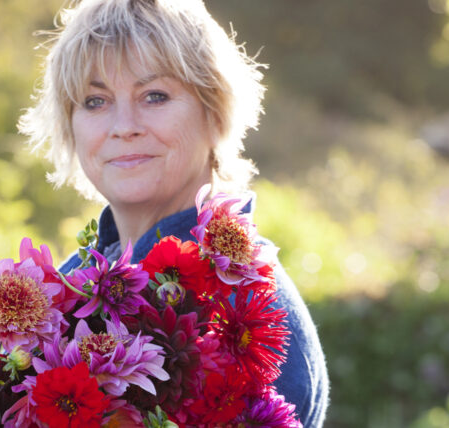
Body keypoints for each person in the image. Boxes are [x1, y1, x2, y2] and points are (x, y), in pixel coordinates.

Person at [20, 0, 329, 426]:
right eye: (95, 101)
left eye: (155, 96)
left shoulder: (246, 308)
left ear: (216, 111)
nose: (123, 125)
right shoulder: (66, 286)